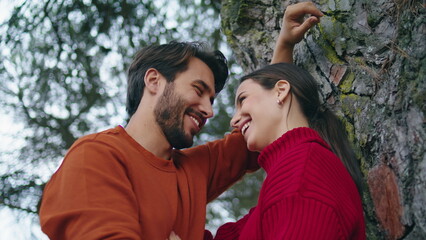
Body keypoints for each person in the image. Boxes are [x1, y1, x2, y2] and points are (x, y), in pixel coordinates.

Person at [39, 2, 323, 240]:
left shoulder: (192, 169)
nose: (208, 110)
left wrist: (284, 45)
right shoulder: (96, 157)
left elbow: (259, 129)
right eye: (198, 90)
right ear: (154, 81)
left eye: (212, 100)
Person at [207, 63, 365, 239]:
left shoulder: (303, 176)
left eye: (242, 99)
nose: (233, 121)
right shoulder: (293, 173)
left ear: (281, 91)